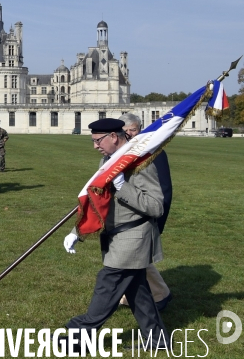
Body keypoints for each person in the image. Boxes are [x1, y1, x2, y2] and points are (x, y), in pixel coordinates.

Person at [62, 118, 168, 350]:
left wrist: (123, 187)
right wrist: (76, 231)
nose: (95, 146)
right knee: (137, 292)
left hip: (132, 238)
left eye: (98, 140)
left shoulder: (140, 164)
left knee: (107, 285)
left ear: (114, 136)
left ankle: (79, 336)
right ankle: (157, 340)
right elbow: (98, 203)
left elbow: (156, 206)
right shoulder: (109, 161)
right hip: (116, 237)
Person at [118, 113, 173, 311]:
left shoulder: (154, 152)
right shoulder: (123, 153)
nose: (129, 134)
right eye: (125, 131)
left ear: (140, 129)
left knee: (132, 255)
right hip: (128, 213)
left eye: (133, 130)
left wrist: (159, 220)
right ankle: (127, 295)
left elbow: (164, 189)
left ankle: (160, 294)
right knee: (129, 256)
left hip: (146, 213)